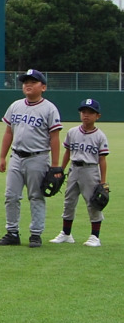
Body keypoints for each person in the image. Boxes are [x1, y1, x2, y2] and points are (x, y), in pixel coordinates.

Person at [0, 69, 63, 248]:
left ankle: (36, 234)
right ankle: (12, 233)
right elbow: (8, 132)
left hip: (38, 158)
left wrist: (55, 165)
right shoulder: (15, 106)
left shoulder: (49, 108)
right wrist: (2, 156)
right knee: (11, 196)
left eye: (33, 82)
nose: (28, 85)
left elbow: (55, 138)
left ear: (43, 87)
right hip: (16, 157)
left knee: (36, 196)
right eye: (26, 82)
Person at [52, 98, 109, 247]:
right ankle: (66, 234)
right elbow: (67, 152)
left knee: (93, 203)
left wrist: (103, 182)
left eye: (90, 112)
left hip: (90, 170)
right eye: (83, 112)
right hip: (74, 169)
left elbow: (102, 159)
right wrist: (60, 170)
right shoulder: (72, 132)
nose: (86, 115)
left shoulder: (100, 136)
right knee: (69, 201)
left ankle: (95, 237)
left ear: (98, 116)